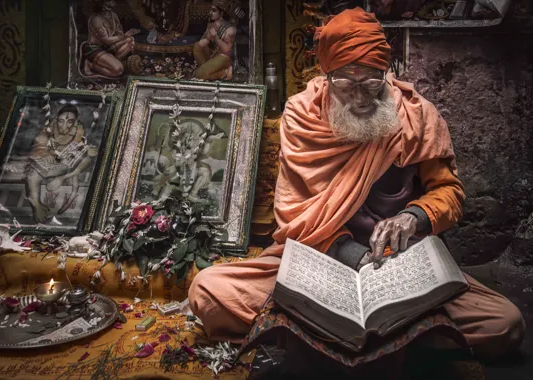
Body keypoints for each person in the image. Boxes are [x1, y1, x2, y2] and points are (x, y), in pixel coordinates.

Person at [188, 7, 525, 360]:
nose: (361, 98)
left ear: (387, 72)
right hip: (320, 259)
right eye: (347, 84)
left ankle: (323, 337)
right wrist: (353, 256)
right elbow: (295, 218)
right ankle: (402, 341)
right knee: (209, 293)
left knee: (504, 323)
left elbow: (449, 193)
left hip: (397, 267)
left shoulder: (416, 115)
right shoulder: (302, 118)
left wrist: (414, 216)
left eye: (372, 83)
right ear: (326, 74)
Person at [25, 104, 97, 224]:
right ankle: (37, 206)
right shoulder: (48, 130)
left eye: (70, 122)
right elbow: (37, 151)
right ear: (56, 119)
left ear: (75, 122)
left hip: (68, 166)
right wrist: (47, 154)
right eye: (61, 121)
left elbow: (84, 156)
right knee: (32, 174)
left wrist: (63, 177)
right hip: (46, 163)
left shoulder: (79, 131)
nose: (64, 126)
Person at [83, 0, 139, 77]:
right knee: (118, 70)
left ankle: (112, 62)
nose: (114, 1)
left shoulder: (113, 15)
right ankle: (90, 64)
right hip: (95, 49)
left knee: (130, 41)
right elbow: (107, 40)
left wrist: (124, 36)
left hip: (108, 47)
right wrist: (124, 36)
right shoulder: (96, 19)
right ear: (102, 3)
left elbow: (119, 33)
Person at [192, 0, 237, 81]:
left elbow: (226, 49)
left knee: (198, 74)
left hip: (223, 57)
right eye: (210, 10)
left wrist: (215, 36)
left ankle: (224, 73)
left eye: (214, 10)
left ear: (222, 13)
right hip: (211, 55)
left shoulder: (230, 29)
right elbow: (200, 45)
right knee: (196, 45)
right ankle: (205, 70)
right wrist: (208, 37)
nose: (210, 13)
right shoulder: (211, 26)